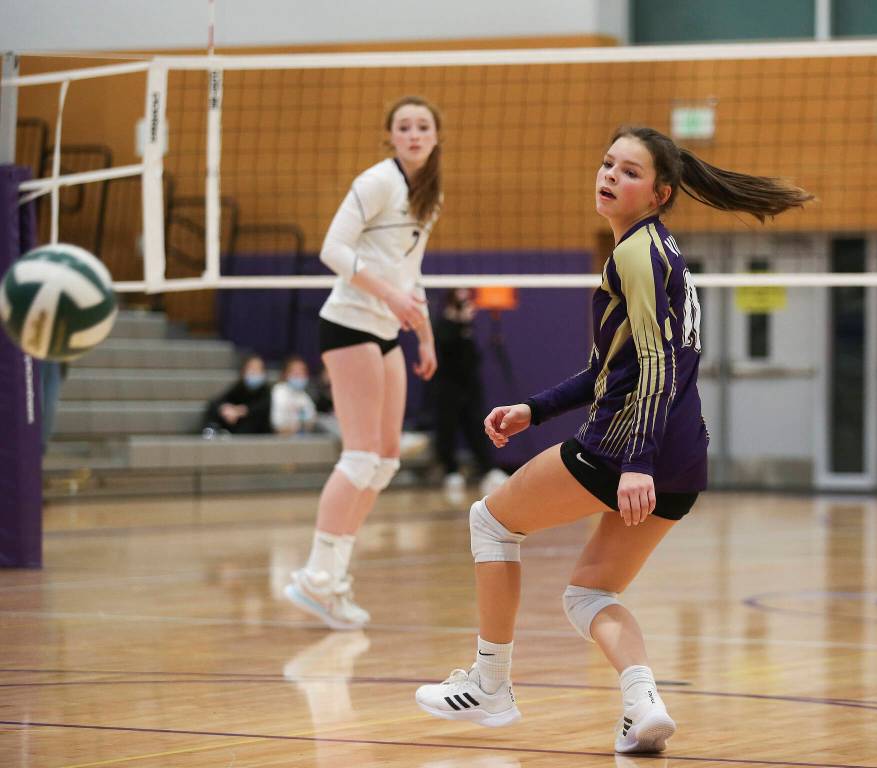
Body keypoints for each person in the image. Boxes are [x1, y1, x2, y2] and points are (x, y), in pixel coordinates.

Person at [414, 126, 812, 753]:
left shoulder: (637, 255)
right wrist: (534, 409)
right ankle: (642, 705)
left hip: (628, 448)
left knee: (490, 523)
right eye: (606, 164)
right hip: (684, 461)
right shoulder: (658, 252)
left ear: (659, 194)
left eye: (629, 172)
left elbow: (656, 367)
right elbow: (612, 370)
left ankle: (491, 684)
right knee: (590, 593)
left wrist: (635, 464)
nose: (609, 177)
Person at [283, 96, 441, 629]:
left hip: (387, 328)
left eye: (423, 126)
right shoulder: (378, 181)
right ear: (390, 137)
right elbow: (332, 248)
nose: (414, 134)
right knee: (359, 456)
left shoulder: (429, 194)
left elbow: (409, 275)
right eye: (404, 126)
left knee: (386, 461)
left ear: (436, 136)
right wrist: (391, 299)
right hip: (350, 321)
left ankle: (332, 580)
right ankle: (314, 578)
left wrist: (425, 335)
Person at [433, 287, 509, 504]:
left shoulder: (468, 326)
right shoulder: (443, 326)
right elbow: (445, 351)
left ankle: (488, 469)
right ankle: (450, 471)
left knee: (477, 427)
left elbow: (472, 356)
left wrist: (464, 324)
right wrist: (457, 322)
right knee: (447, 429)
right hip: (448, 387)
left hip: (469, 386)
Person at [202, 354, 271, 435]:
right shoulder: (240, 387)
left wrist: (241, 411)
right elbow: (217, 401)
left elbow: (262, 407)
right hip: (234, 420)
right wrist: (225, 408)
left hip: (255, 428)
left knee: (253, 420)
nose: (254, 372)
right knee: (215, 410)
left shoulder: (266, 391)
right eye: (251, 368)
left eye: (257, 369)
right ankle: (211, 430)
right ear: (244, 371)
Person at [271, 355, 318, 435]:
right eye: (295, 372)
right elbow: (277, 425)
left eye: (302, 372)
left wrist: (301, 426)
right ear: (286, 374)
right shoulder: (279, 391)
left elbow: (312, 421)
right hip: (281, 441)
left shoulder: (304, 396)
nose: (299, 376)